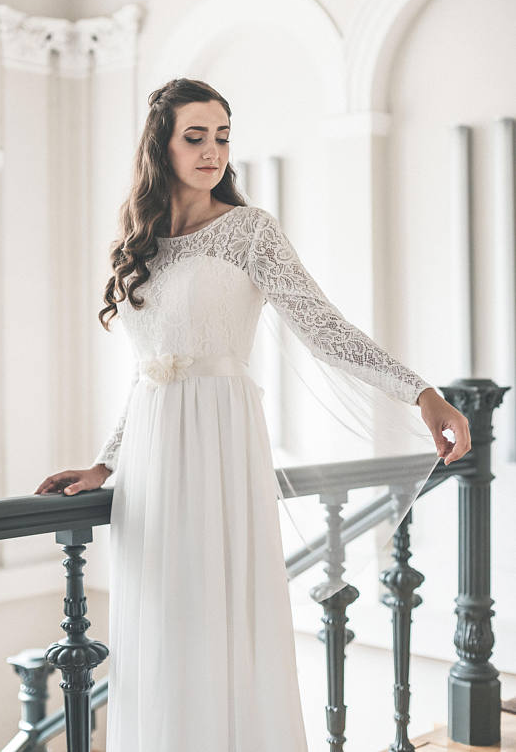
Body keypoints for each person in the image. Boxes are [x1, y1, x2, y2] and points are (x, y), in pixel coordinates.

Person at [34, 77, 471, 751]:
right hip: (151, 467)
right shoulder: (139, 244)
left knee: (221, 622)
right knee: (162, 630)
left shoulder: (249, 231)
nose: (212, 151)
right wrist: (105, 460)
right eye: (195, 136)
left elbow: (325, 328)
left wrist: (421, 392)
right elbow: (147, 372)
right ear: (162, 144)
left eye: (222, 135)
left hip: (220, 447)